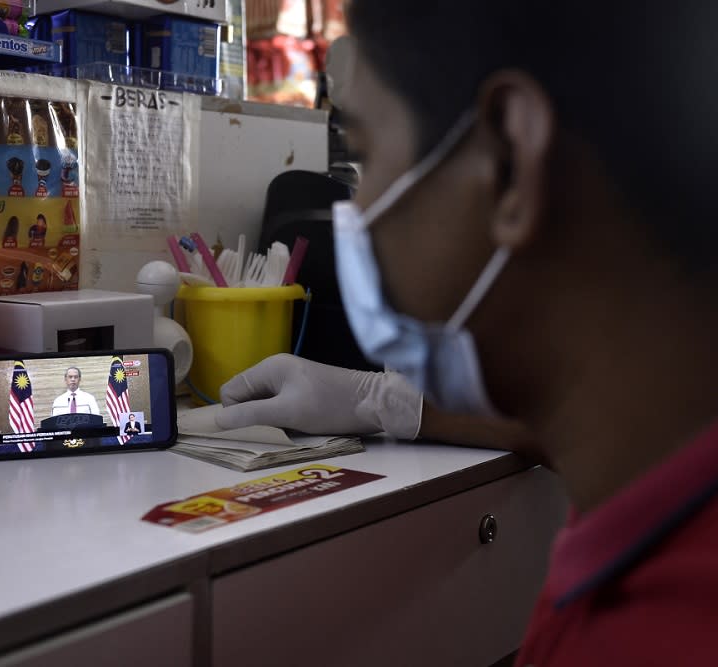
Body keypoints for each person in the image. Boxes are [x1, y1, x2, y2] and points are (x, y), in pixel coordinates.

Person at [216, 2, 718, 663]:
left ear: (509, 163)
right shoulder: (657, 453)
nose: (356, 214)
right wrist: (381, 400)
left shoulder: (651, 636)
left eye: (363, 157)